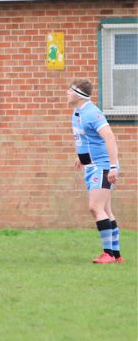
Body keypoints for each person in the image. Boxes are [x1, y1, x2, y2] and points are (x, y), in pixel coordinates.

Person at [67, 79, 122, 263]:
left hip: (102, 166)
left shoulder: (92, 113)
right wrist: (81, 157)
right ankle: (116, 254)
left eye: (70, 90)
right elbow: (87, 139)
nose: (67, 93)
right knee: (106, 209)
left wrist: (113, 166)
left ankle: (107, 253)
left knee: (95, 207)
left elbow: (109, 138)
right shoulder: (77, 112)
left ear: (79, 95)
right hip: (92, 166)